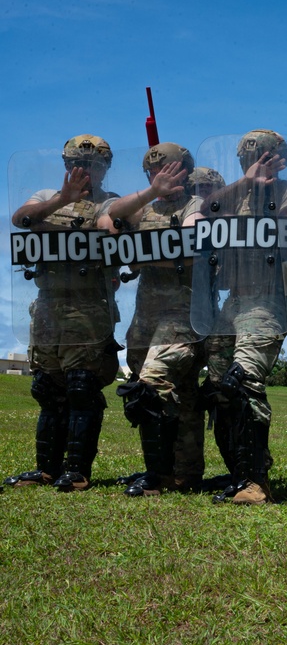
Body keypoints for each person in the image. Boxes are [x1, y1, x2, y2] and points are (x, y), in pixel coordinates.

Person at [197, 129, 287, 505]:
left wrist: (263, 193)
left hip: (269, 300)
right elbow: (202, 215)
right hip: (232, 303)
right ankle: (240, 471)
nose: (258, 164)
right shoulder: (233, 194)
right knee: (218, 389)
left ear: (282, 159)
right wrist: (244, 184)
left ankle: (255, 482)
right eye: (249, 160)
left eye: (265, 157)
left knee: (242, 381)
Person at [5, 135, 121, 492]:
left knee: (81, 387)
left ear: (105, 169)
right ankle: (45, 469)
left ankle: (77, 470)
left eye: (93, 165)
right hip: (46, 305)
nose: (84, 171)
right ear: (66, 166)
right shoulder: (45, 197)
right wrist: (64, 200)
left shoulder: (108, 202)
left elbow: (109, 229)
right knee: (47, 387)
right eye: (76, 164)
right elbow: (22, 218)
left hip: (89, 306)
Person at [103, 143, 205, 496]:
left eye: (170, 170)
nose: (161, 176)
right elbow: (111, 217)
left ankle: (158, 476)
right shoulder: (144, 206)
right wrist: (150, 193)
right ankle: (186, 473)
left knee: (151, 382)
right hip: (145, 315)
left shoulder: (197, 204)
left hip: (183, 313)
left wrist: (138, 256)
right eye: (153, 172)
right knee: (186, 395)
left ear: (186, 172)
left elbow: (191, 243)